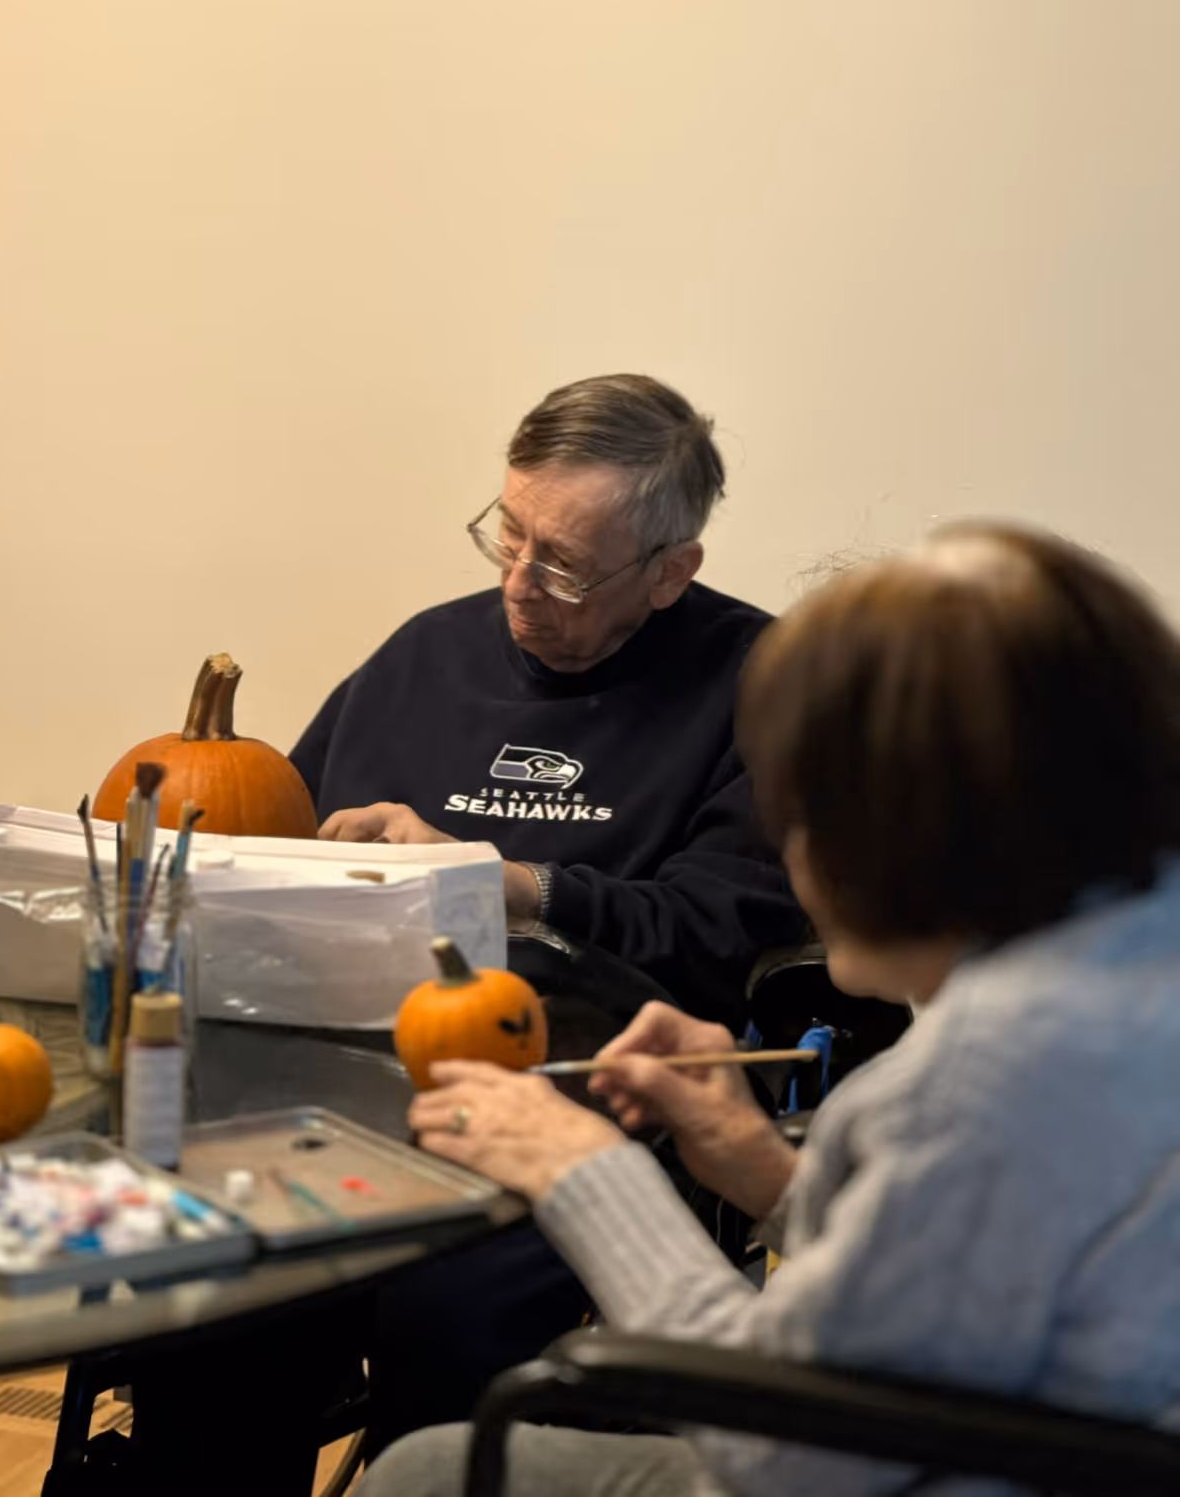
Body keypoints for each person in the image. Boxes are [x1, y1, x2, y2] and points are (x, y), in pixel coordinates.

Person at [361, 521, 1180, 1497]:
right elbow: (963, 1282)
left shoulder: (986, 1074)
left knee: (427, 1470)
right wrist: (759, 1164)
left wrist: (584, 1171)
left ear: (903, 828)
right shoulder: (1130, 976)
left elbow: (784, 1452)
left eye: (794, 817)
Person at [291, 373, 806, 1029]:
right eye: (509, 535)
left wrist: (505, 888)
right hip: (354, 1028)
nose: (517, 585)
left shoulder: (770, 685)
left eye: (563, 566)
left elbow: (720, 935)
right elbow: (271, 839)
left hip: (608, 1058)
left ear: (669, 572)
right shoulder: (425, 653)